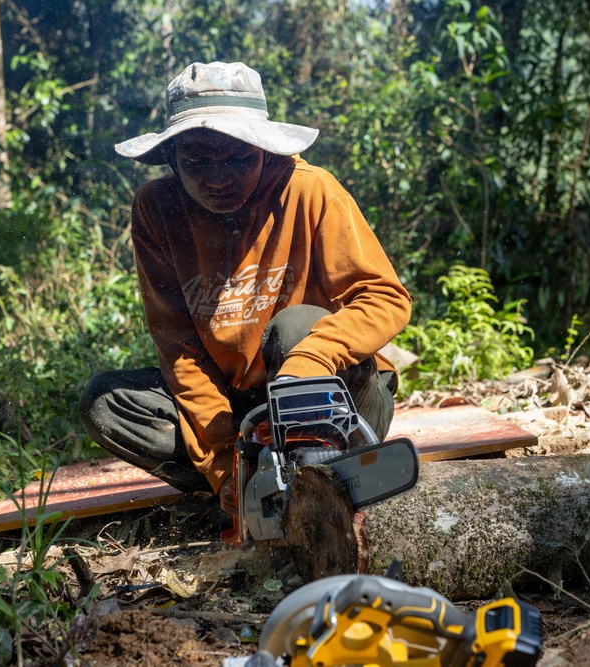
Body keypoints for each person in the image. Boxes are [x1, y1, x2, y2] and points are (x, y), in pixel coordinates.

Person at [78, 61, 411, 516]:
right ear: (172, 159)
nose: (218, 178)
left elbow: (385, 298)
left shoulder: (310, 191)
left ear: (265, 151)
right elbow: (179, 346)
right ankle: (246, 484)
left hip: (330, 389)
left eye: (238, 158)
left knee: (295, 328)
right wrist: (220, 463)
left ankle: (324, 474)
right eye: (197, 161)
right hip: (240, 402)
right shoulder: (157, 209)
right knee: (107, 402)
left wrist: (311, 359)